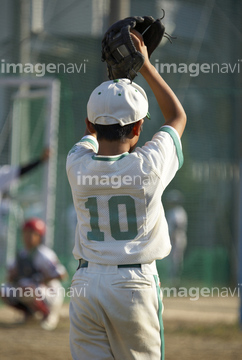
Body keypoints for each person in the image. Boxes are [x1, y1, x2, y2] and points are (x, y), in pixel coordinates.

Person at [66, 30, 186, 360]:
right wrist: (144, 65)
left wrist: (112, 90)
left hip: (86, 284)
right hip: (133, 284)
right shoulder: (149, 164)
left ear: (90, 124)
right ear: (137, 129)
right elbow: (177, 116)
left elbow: (89, 136)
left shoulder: (76, 163)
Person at [0, 217, 67, 331]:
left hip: (50, 293)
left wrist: (43, 279)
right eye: (26, 233)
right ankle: (30, 314)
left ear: (39, 236)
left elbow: (62, 274)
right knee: (4, 290)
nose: (28, 236)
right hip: (32, 290)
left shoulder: (45, 254)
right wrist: (13, 277)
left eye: (32, 233)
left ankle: (48, 315)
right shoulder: (21, 255)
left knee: (27, 288)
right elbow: (10, 278)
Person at [165, 190, 188, 285]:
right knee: (171, 260)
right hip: (174, 237)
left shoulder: (178, 212)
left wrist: (173, 238)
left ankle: (175, 282)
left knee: (176, 260)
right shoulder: (174, 211)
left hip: (177, 238)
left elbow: (177, 226)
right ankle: (172, 281)